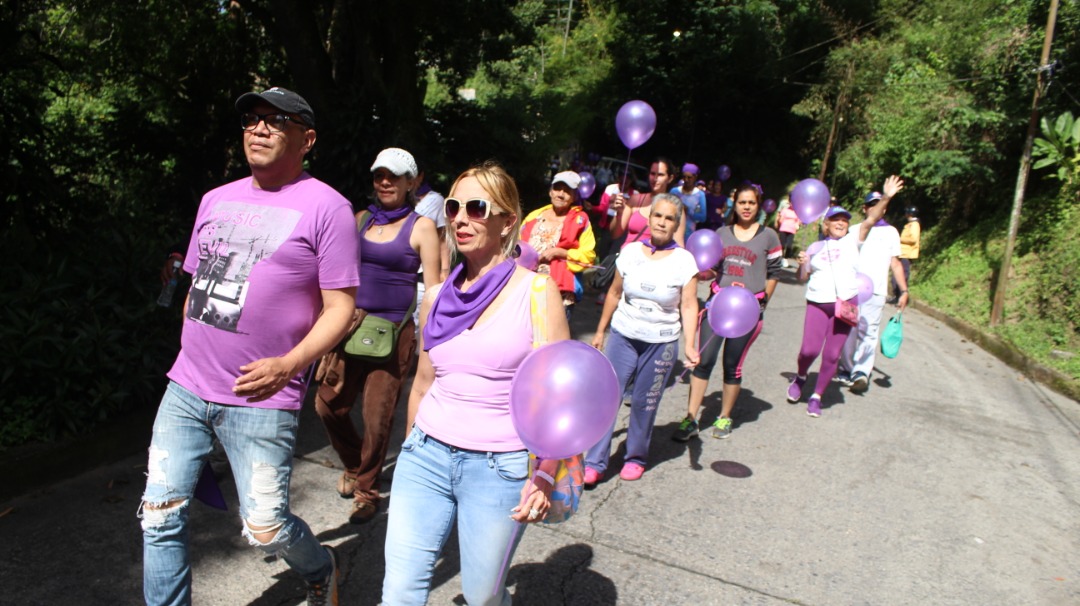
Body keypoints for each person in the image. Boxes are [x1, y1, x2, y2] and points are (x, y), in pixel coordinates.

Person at [139, 86, 358, 606]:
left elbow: (341, 309)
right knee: (159, 516)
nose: (258, 128)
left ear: (306, 139)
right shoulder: (216, 199)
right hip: (187, 388)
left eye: (275, 120)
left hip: (260, 397)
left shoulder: (329, 208)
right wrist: (190, 348)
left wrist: (290, 364)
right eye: (251, 119)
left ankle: (320, 564)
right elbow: (197, 283)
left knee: (264, 527)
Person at [381, 162, 570, 605]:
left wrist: (545, 473)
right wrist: (410, 447)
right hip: (424, 457)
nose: (461, 218)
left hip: (498, 466)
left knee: (482, 596)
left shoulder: (538, 293)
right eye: (454, 206)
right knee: (399, 590)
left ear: (508, 221)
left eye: (476, 207)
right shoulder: (436, 295)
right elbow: (424, 382)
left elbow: (560, 398)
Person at [313, 147, 441, 525]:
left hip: (394, 334)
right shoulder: (360, 220)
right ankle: (356, 464)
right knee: (327, 404)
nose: (386, 182)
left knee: (377, 416)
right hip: (349, 326)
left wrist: (431, 342)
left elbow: (433, 288)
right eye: (379, 175)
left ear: (412, 182)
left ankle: (367, 492)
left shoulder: (422, 227)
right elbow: (333, 270)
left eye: (395, 176)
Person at [585, 193, 700, 483]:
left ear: (676, 225)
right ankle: (594, 462)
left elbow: (688, 305)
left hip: (660, 343)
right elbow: (613, 293)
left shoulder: (685, 261)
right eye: (658, 216)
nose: (662, 222)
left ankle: (635, 456)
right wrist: (600, 330)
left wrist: (689, 344)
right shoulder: (631, 252)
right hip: (624, 335)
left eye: (669, 218)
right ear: (649, 218)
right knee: (608, 397)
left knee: (644, 403)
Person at [673, 183, 781, 442]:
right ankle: (691, 418)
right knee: (703, 360)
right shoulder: (722, 233)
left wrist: (763, 301)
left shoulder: (769, 237)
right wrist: (703, 273)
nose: (746, 207)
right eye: (742, 202)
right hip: (717, 306)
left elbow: (774, 274)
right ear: (735, 203)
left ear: (758, 205)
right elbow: (714, 268)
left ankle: (724, 416)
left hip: (747, 312)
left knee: (732, 365)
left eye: (751, 203)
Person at [786, 205, 881, 416]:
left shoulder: (852, 241)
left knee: (832, 355)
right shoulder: (815, 247)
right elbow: (802, 278)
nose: (840, 223)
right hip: (818, 303)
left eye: (844, 220)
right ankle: (801, 376)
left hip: (846, 304)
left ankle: (816, 396)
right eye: (835, 219)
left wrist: (886, 197)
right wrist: (803, 264)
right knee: (809, 350)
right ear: (825, 224)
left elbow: (871, 219)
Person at [835, 177, 909, 393]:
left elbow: (896, 264)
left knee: (869, 332)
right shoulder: (855, 230)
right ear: (865, 208)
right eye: (872, 204)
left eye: (881, 204)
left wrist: (903, 290)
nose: (878, 208)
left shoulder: (892, 232)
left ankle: (861, 372)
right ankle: (846, 368)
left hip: (876, 292)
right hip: (851, 290)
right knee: (848, 331)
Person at [520, 171, 598, 321]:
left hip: (558, 294)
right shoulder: (534, 216)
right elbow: (517, 245)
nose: (561, 194)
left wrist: (561, 252)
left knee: (551, 341)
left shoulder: (580, 221)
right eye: (557, 188)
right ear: (550, 191)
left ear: (574, 196)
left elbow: (588, 256)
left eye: (567, 191)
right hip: (527, 289)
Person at [609, 158, 687, 248]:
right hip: (628, 257)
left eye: (660, 175)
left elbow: (678, 245)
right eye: (652, 174)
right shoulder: (635, 200)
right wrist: (619, 213)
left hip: (655, 259)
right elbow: (615, 234)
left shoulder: (676, 208)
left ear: (670, 178)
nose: (655, 179)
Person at [889, 205, 920, 304]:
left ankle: (901, 297)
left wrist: (900, 239)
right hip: (903, 253)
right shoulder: (910, 224)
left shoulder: (914, 225)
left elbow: (913, 239)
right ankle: (897, 296)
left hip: (907, 254)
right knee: (896, 276)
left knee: (902, 275)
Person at [671, 163, 707, 232]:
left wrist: (688, 211)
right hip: (672, 230)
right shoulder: (674, 191)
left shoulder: (700, 195)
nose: (686, 180)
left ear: (695, 177)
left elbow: (703, 217)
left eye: (689, 177)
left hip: (688, 232)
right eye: (684, 177)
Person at [773, 197, 801, 268]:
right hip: (784, 228)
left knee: (789, 246)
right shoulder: (785, 210)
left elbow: (798, 220)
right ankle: (780, 258)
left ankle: (785, 258)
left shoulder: (797, 212)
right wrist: (781, 222)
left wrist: (797, 224)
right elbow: (781, 219)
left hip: (792, 230)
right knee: (782, 244)